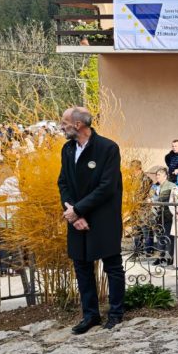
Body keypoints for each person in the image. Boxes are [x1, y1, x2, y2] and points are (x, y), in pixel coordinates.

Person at [56, 106, 125, 334]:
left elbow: (107, 187)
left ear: (78, 125)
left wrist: (78, 210)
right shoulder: (67, 149)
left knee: (112, 266)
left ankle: (116, 314)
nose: (61, 127)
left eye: (64, 122)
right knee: (82, 266)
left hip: (103, 218)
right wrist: (73, 213)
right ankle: (90, 315)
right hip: (76, 218)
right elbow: (63, 183)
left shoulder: (107, 148)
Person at [149, 167, 175, 265]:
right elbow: (150, 196)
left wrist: (155, 200)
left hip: (167, 215)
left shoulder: (171, 186)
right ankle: (160, 257)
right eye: (156, 175)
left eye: (159, 175)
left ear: (165, 176)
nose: (157, 177)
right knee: (159, 236)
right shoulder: (154, 186)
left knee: (168, 236)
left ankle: (170, 257)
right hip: (156, 215)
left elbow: (171, 199)